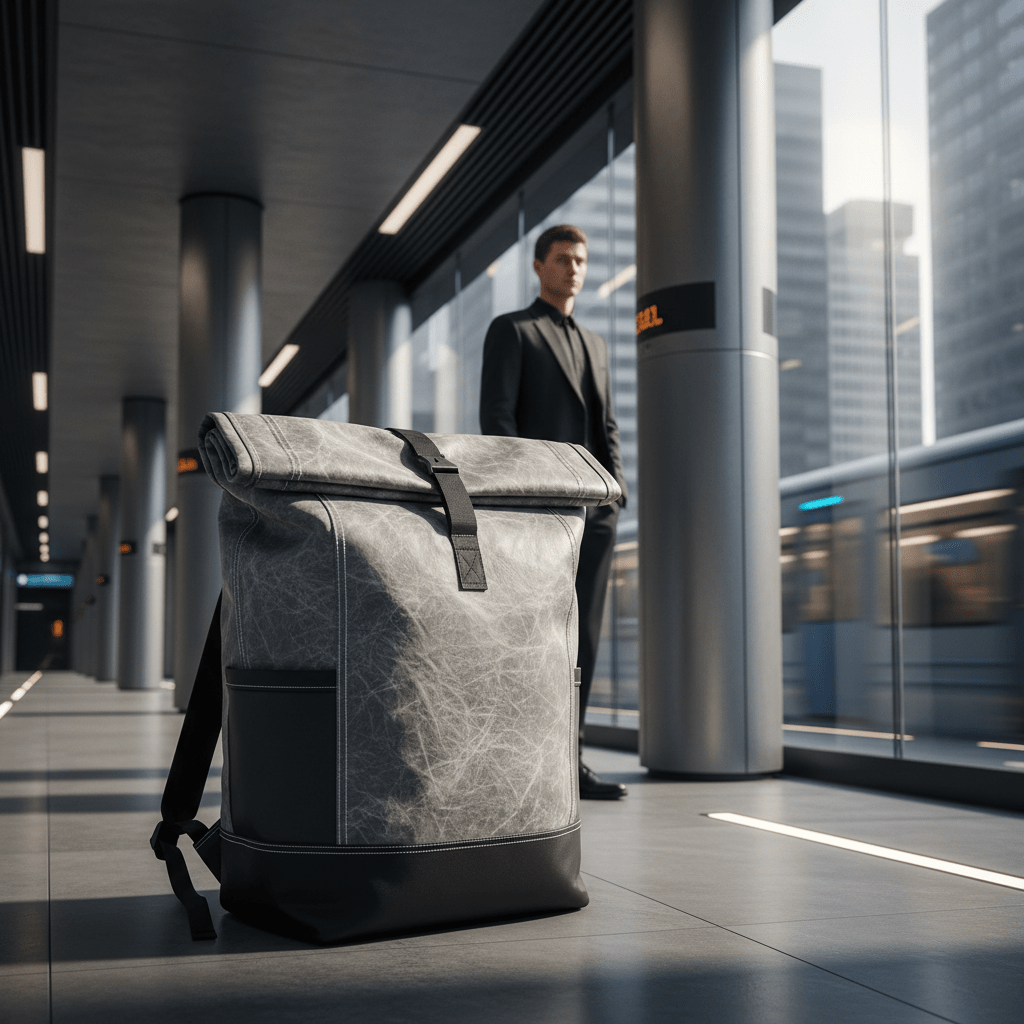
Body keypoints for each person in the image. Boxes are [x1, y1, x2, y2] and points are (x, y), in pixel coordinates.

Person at [479, 224, 628, 800]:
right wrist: (520, 499)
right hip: (538, 514)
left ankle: (571, 759)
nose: (574, 269)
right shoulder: (512, 330)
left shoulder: (597, 343)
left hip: (597, 513)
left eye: (581, 260)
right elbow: (498, 422)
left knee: (583, 639)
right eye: (563, 259)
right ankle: (524, 761)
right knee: (532, 636)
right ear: (539, 267)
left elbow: (607, 425)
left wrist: (617, 489)